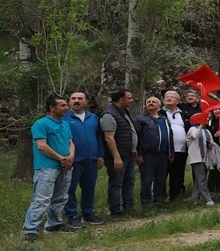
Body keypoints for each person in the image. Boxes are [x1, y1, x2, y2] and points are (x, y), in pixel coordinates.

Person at [21, 94, 74, 242]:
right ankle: (30, 229)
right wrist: (61, 158)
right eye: (63, 105)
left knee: (61, 197)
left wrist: (70, 157)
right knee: (42, 198)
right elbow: (42, 146)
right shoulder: (41, 124)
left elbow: (71, 142)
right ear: (52, 107)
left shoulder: (65, 124)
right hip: (46, 167)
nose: (66, 108)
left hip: (65, 166)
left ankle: (54, 224)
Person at [65, 91, 105, 228]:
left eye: (80, 98)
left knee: (89, 188)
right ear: (69, 101)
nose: (76, 101)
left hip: (91, 159)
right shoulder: (64, 117)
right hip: (73, 160)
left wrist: (100, 155)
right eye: (73, 98)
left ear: (86, 102)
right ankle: (71, 215)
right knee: (70, 189)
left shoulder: (93, 118)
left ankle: (88, 214)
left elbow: (99, 137)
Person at [100, 89, 138, 219]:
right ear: (121, 100)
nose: (132, 100)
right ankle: (115, 210)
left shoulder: (124, 113)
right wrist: (116, 157)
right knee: (116, 183)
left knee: (129, 181)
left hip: (129, 154)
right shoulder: (109, 115)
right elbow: (109, 138)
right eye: (130, 98)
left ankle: (128, 207)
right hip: (118, 156)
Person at [135, 96, 176, 206]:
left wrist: (171, 152)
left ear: (159, 106)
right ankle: (146, 202)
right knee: (147, 179)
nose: (151, 103)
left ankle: (158, 201)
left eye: (154, 102)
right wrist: (139, 154)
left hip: (163, 153)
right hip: (148, 154)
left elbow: (170, 135)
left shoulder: (164, 119)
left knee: (160, 179)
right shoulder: (141, 119)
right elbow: (137, 137)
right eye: (148, 102)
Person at [161, 90, 190, 201]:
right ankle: (160, 197)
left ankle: (175, 197)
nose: (168, 98)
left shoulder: (184, 114)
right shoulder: (159, 113)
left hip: (181, 150)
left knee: (178, 173)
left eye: (172, 97)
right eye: (166, 97)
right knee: (162, 174)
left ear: (178, 101)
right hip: (164, 150)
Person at [185, 119, 215, 206]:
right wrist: (200, 126)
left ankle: (194, 198)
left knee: (200, 179)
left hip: (205, 158)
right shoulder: (192, 129)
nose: (207, 121)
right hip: (196, 158)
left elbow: (211, 141)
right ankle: (208, 199)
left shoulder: (207, 131)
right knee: (201, 179)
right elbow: (195, 135)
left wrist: (210, 144)